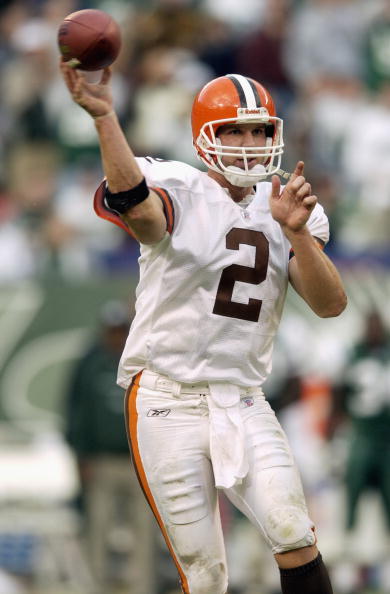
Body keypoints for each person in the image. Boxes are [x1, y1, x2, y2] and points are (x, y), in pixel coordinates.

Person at [60, 59, 347, 594]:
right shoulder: (178, 186)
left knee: (293, 532)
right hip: (167, 395)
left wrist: (300, 235)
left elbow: (330, 304)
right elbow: (142, 215)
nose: (248, 141)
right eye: (233, 129)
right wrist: (105, 118)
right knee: (207, 574)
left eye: (258, 129)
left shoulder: (286, 205)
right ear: (203, 138)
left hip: (242, 395)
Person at [64, 301, 157, 594]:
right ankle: (96, 586)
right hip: (101, 460)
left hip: (138, 462)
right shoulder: (89, 364)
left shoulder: (144, 362)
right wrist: (80, 456)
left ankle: (141, 586)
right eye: (112, 331)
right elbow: (75, 413)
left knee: (144, 530)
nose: (116, 337)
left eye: (121, 331)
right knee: (98, 528)